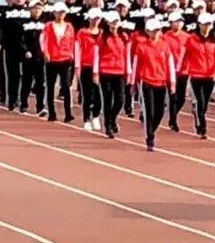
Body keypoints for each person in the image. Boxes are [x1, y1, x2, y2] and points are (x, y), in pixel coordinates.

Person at [129, 18, 176, 152]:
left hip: (161, 82)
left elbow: (170, 64)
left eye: (157, 31)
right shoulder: (141, 46)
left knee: (160, 112)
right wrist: (133, 83)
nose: (154, 33)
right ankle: (150, 138)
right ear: (147, 32)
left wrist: (171, 82)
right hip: (147, 82)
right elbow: (136, 65)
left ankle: (152, 129)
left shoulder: (165, 46)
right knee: (149, 111)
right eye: (152, 31)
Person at [183, 13, 215, 139]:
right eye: (204, 24)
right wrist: (183, 70)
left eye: (209, 24)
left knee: (205, 103)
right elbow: (186, 55)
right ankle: (202, 127)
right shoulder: (192, 39)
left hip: (210, 76)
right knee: (200, 100)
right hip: (196, 75)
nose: (206, 27)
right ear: (199, 25)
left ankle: (199, 116)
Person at [94, 11, 129, 139]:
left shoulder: (124, 37)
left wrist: (128, 72)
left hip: (120, 72)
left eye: (116, 22)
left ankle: (113, 118)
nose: (114, 25)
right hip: (105, 72)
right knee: (107, 99)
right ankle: (108, 126)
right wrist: (96, 72)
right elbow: (97, 54)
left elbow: (127, 55)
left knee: (120, 100)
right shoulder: (103, 37)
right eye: (112, 22)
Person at [41, 2, 76, 123]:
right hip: (52, 60)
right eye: (58, 12)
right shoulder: (49, 26)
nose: (61, 14)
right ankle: (51, 113)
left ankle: (68, 113)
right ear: (54, 13)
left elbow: (72, 41)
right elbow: (43, 40)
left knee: (66, 86)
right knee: (50, 87)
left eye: (63, 12)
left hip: (65, 59)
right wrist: (46, 52)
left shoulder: (69, 26)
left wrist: (72, 54)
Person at [75, 8, 104, 131]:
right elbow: (77, 48)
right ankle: (86, 119)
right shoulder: (82, 33)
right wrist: (77, 65)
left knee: (98, 95)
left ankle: (96, 116)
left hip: (99, 68)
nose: (95, 21)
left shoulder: (103, 33)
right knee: (87, 94)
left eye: (97, 18)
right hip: (86, 66)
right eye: (93, 18)